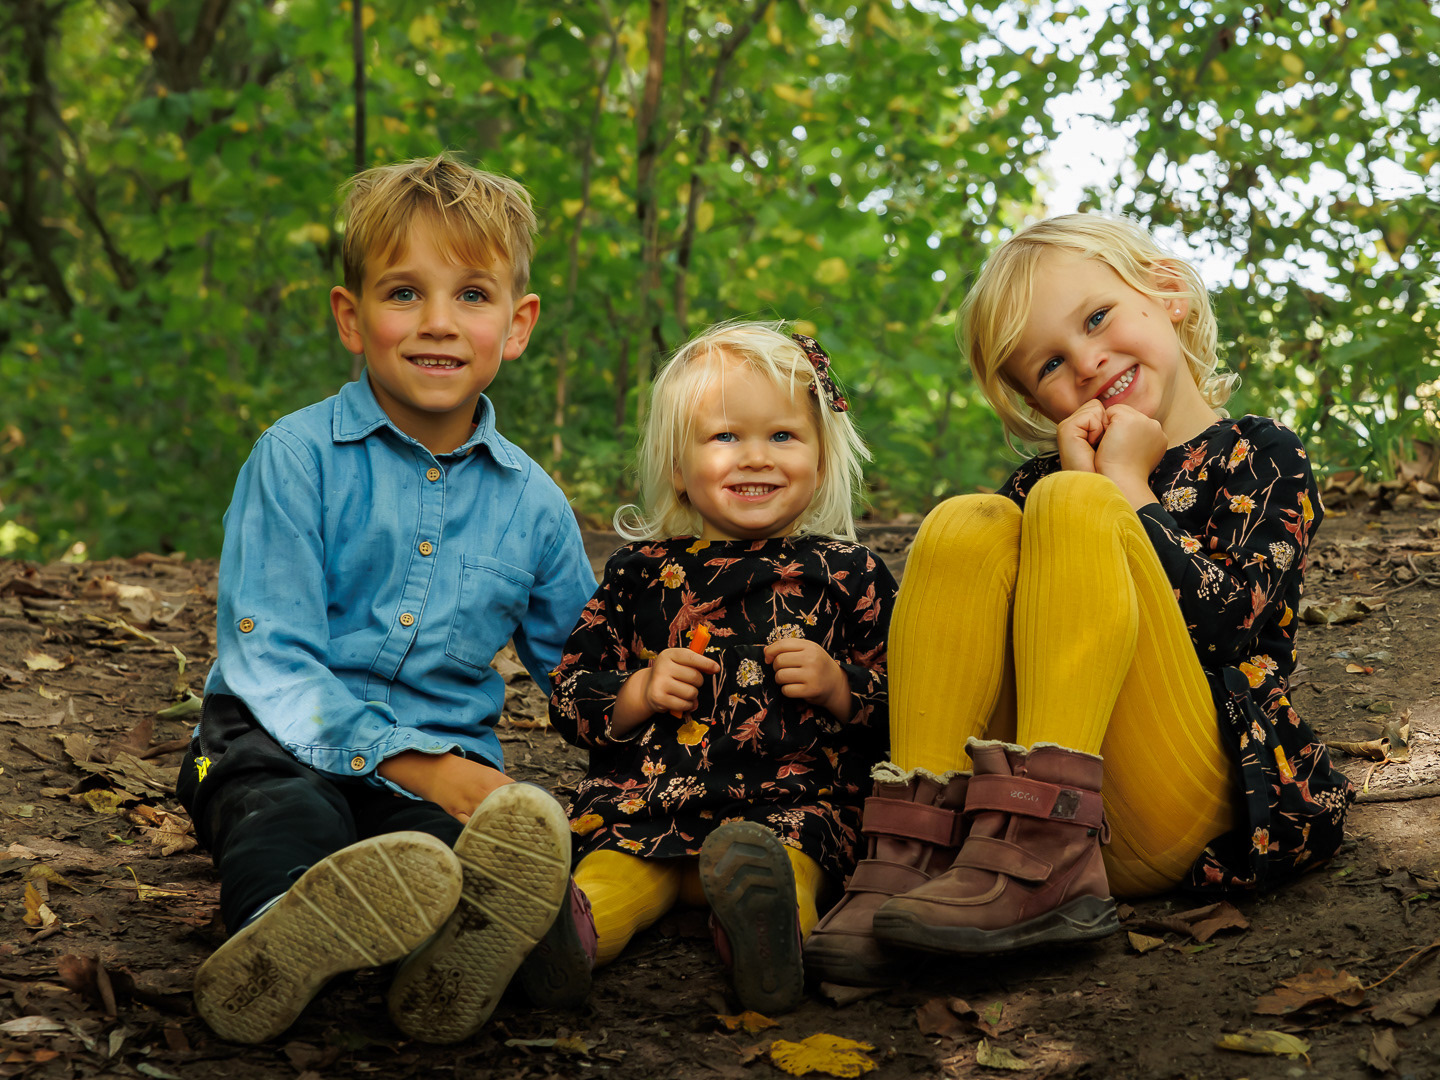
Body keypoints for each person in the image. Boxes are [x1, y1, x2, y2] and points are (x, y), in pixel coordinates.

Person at [805, 213, 1354, 985]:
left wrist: (1121, 487)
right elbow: (969, 664)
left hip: (1187, 800)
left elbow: (1233, 631)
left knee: (1073, 504)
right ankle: (909, 857)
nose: (1088, 361)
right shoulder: (1040, 486)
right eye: (1052, 365)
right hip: (994, 832)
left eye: (1096, 318)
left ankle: (1049, 855)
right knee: (967, 521)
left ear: (1167, 292)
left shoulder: (1260, 457)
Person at [176, 154, 597, 1045]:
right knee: (284, 818)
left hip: (435, 774)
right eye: (404, 293)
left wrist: (655, 691)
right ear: (351, 316)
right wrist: (423, 768)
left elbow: (584, 674)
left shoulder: (535, 504)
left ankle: (444, 970)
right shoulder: (294, 461)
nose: (437, 323)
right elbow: (272, 659)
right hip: (271, 741)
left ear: (516, 326)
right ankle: (270, 940)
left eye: (473, 296)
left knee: (452, 864)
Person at [545, 323, 897, 1014]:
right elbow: (571, 693)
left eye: (783, 437)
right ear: (679, 466)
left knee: (784, 870)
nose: (755, 458)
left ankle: (771, 941)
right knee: (610, 876)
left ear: (822, 457)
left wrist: (839, 686)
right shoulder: (640, 574)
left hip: (786, 808)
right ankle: (563, 945)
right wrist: (637, 693)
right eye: (726, 437)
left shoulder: (847, 574)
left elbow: (909, 700)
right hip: (647, 807)